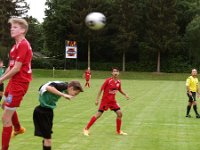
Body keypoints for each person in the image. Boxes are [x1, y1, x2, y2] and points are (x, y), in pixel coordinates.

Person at [0, 18, 32, 150]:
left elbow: (17, 68)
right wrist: (1, 77)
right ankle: (18, 128)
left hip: (19, 85)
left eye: (15, 27)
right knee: (4, 105)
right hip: (13, 83)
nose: (11, 29)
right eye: (11, 27)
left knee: (5, 118)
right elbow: (10, 67)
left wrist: (0, 80)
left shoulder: (24, 45)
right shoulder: (14, 47)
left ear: (23, 30)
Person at [33, 81, 83, 150]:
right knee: (48, 139)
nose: (74, 96)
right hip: (42, 112)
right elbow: (48, 87)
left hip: (48, 112)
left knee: (47, 138)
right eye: (75, 93)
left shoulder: (66, 86)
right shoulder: (62, 86)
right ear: (71, 88)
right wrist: (63, 95)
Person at [83, 67, 129, 136]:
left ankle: (118, 131)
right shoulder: (108, 80)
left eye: (117, 71)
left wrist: (125, 94)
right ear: (112, 73)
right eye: (114, 71)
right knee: (98, 115)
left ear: (118, 73)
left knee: (120, 114)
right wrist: (97, 99)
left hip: (113, 102)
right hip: (105, 101)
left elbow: (120, 89)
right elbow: (101, 90)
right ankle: (86, 129)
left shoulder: (119, 82)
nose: (115, 73)